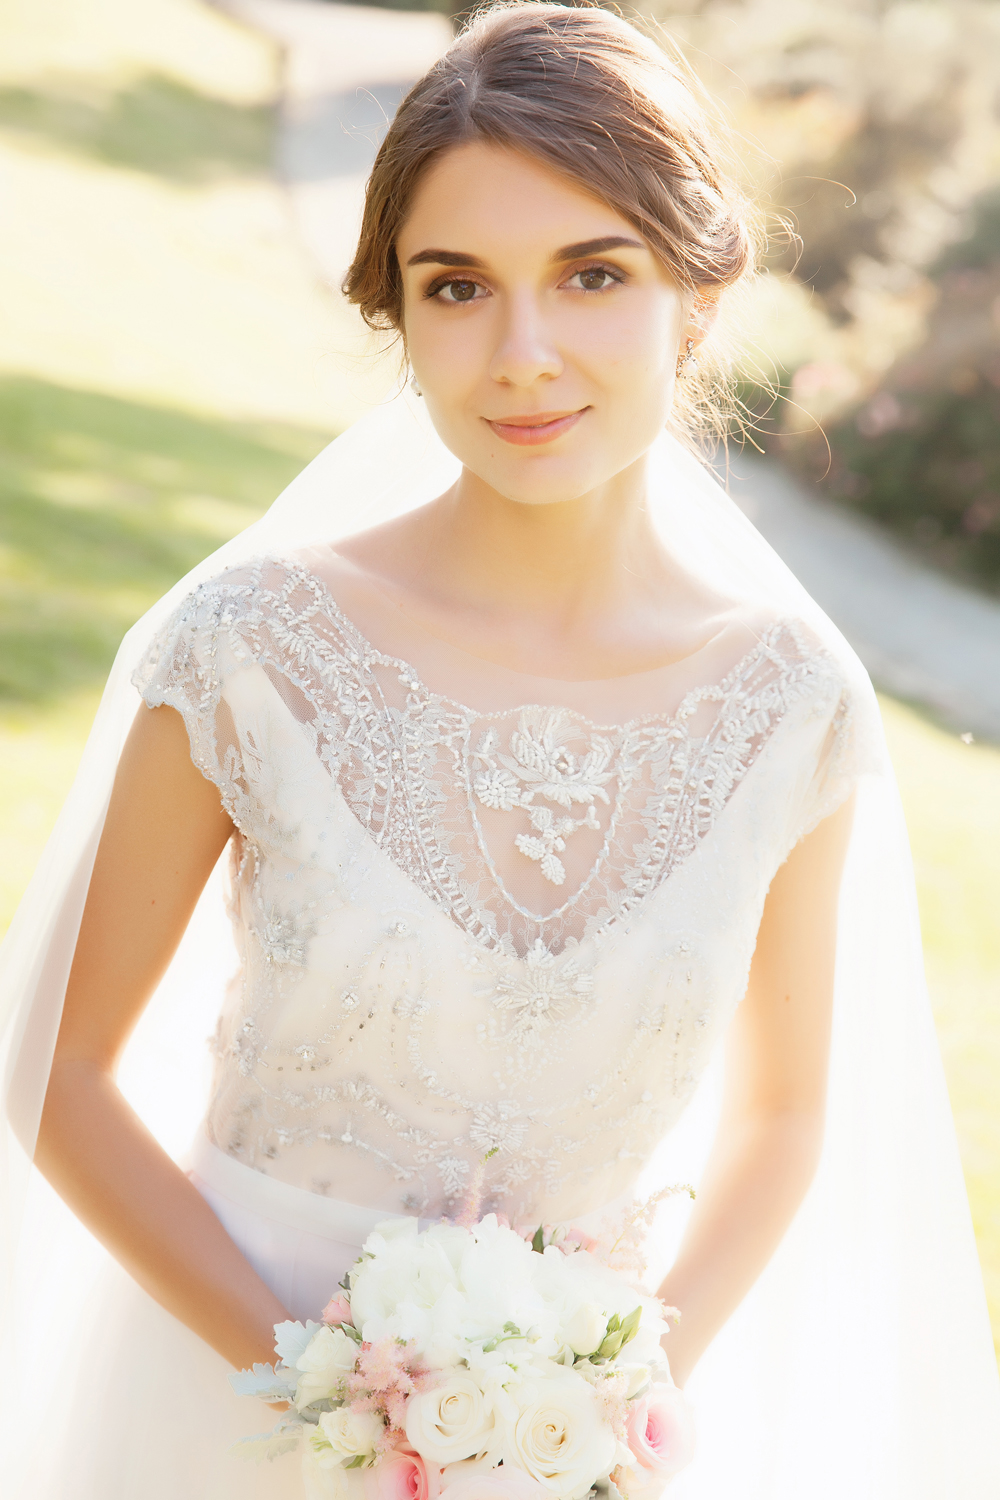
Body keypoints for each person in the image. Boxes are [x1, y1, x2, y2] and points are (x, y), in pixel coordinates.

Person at [1, 6, 998, 1498]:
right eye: (456, 286)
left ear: (697, 297)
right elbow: (62, 1080)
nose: (523, 354)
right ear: (396, 315)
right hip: (214, 1409)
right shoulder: (250, 650)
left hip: (569, 1453)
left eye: (592, 275)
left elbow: (786, 1121)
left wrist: (606, 1402)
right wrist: (343, 1402)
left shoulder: (793, 705)